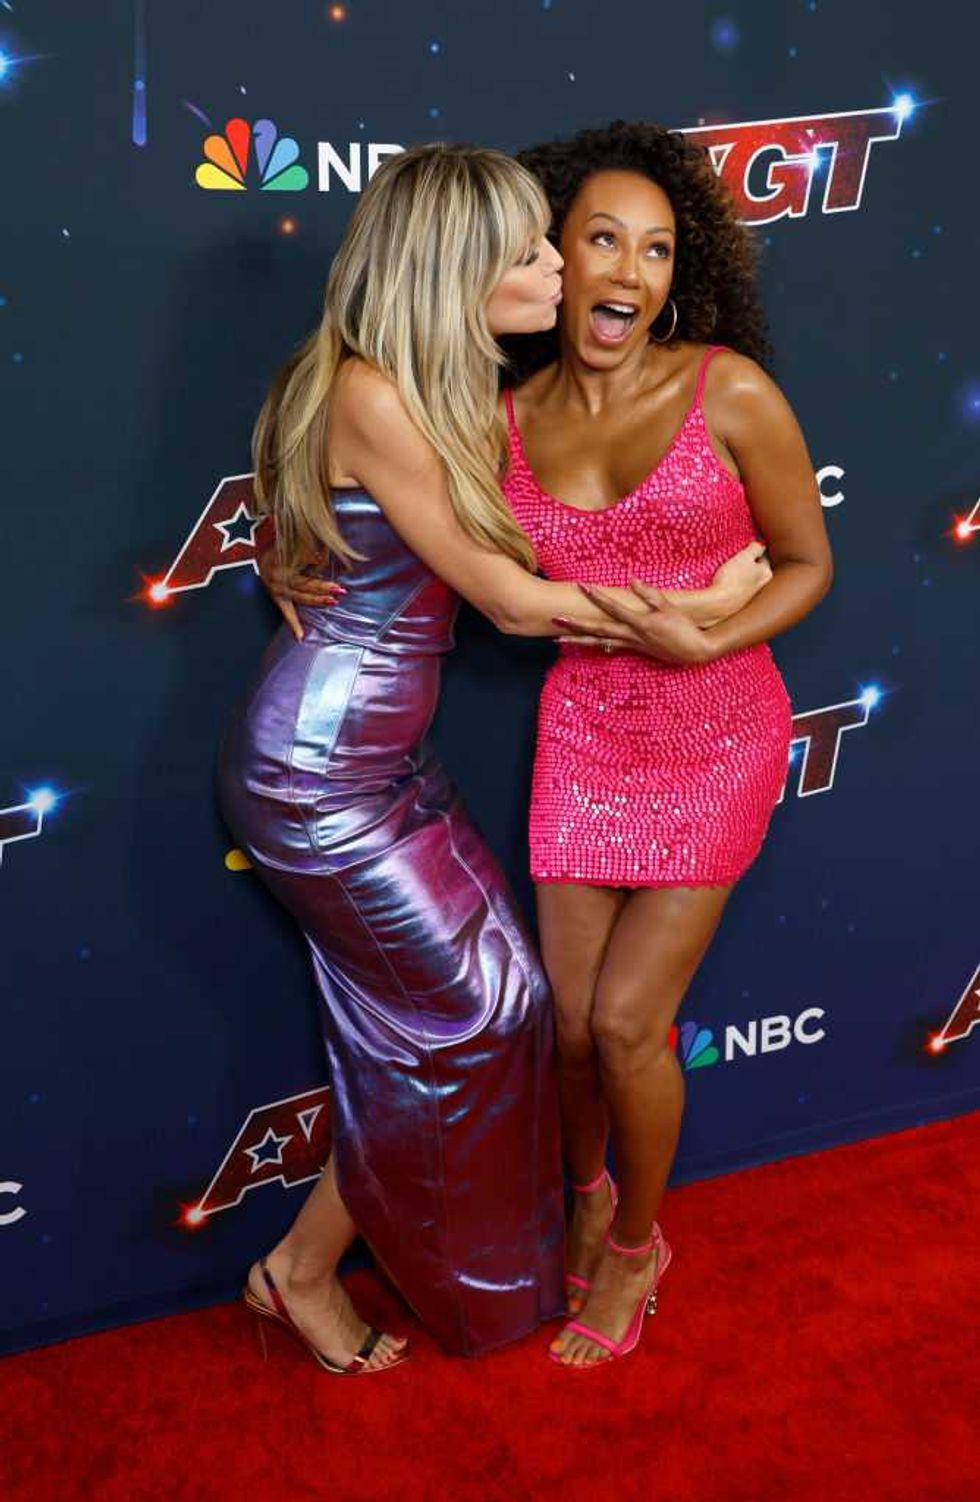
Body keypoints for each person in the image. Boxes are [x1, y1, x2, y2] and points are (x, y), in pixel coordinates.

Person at [221, 142, 769, 1372]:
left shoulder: (452, 388)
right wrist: (700, 602)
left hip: (385, 765)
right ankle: (300, 1269)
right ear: (455, 266)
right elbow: (513, 601)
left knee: (501, 1012)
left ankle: (369, 1251)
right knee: (474, 1018)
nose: (560, 271)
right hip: (315, 777)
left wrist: (276, 537)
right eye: (533, 252)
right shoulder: (375, 391)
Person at [495, 121, 833, 1368]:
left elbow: (805, 561)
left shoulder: (723, 390)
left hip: (715, 726)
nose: (628, 273)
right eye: (602, 241)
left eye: (655, 250)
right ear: (554, 257)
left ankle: (636, 1245)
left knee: (631, 1022)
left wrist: (705, 636)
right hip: (583, 728)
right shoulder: (501, 418)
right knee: (571, 1026)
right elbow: (454, 562)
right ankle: (585, 1194)